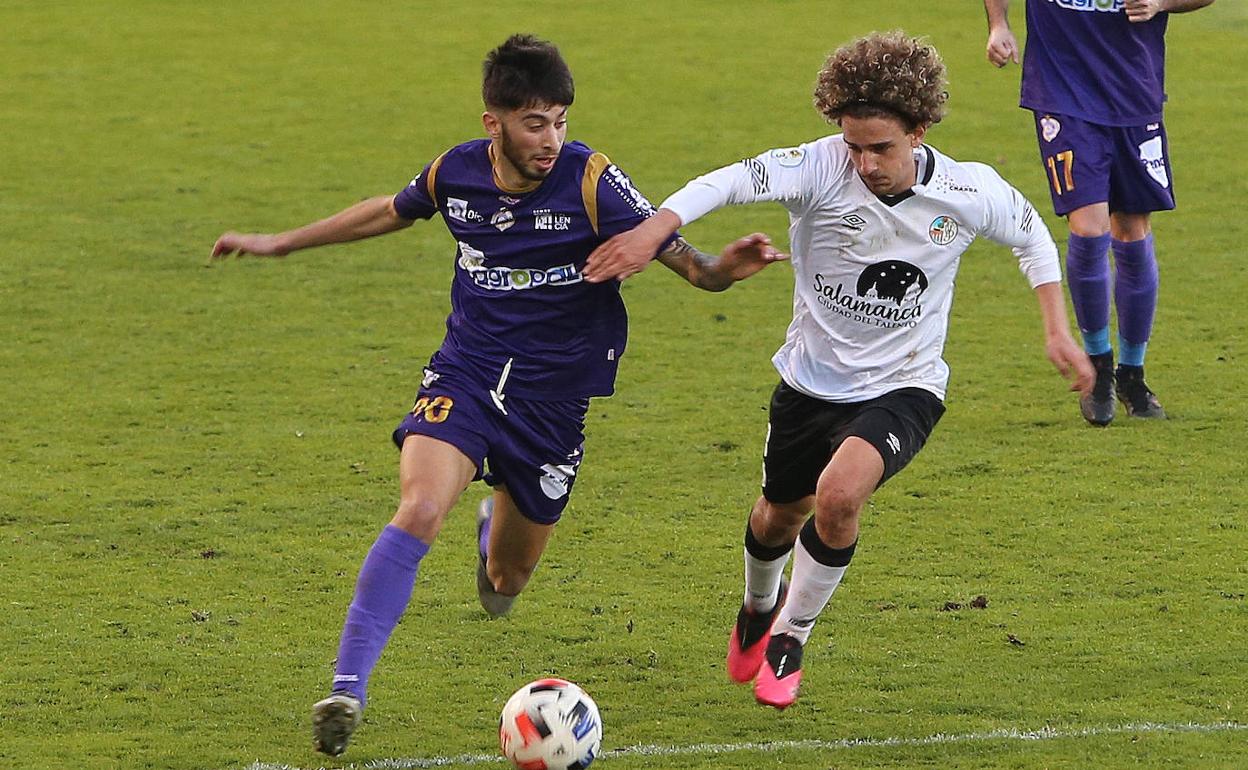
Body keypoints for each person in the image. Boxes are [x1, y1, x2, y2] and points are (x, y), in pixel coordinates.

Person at [211, 34, 782, 756]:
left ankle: (494, 528)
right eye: (535, 123)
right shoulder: (456, 172)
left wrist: (726, 267)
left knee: (505, 584)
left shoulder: (591, 182)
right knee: (419, 507)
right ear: (495, 123)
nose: (551, 139)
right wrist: (281, 242)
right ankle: (347, 690)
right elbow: (390, 208)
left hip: (553, 402)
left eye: (561, 121)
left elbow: (692, 268)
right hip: (468, 376)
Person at [583, 31, 1094, 710]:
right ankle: (757, 607)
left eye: (879, 147)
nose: (864, 161)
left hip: (906, 382)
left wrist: (1057, 328)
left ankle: (792, 633)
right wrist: (656, 228)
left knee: (840, 494)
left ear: (918, 131)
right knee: (775, 517)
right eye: (853, 145)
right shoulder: (820, 167)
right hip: (808, 381)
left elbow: (1032, 236)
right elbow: (729, 180)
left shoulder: (971, 190)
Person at [984, 0, 1216, 425]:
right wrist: (999, 24)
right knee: (1089, 228)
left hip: (1134, 92)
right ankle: (1099, 369)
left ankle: (1133, 373)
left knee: (1132, 229)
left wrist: (1161, 3)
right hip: (1063, 93)